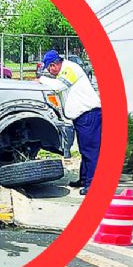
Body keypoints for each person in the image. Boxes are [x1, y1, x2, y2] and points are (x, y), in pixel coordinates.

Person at [39, 50, 101, 195]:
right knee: (84, 150)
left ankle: (92, 184)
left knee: (90, 151)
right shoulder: (64, 71)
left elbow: (59, 86)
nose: (50, 72)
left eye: (49, 69)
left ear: (54, 65)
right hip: (83, 118)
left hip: (89, 115)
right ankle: (84, 179)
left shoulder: (70, 68)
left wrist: (42, 79)